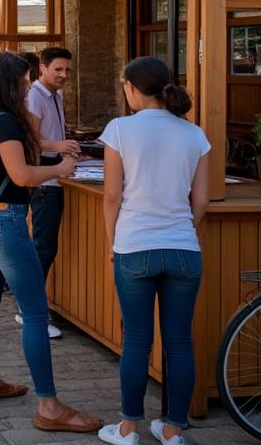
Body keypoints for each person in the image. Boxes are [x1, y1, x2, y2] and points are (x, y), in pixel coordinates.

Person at [0, 53, 97, 434]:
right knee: (36, 313)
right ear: (10, 84)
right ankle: (49, 406)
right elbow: (21, 175)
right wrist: (58, 168)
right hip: (5, 221)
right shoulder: (5, 122)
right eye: (22, 80)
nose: (26, 86)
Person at [97, 57, 209, 445]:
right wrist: (182, 230)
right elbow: (203, 201)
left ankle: (128, 429)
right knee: (179, 341)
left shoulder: (119, 129)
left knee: (137, 341)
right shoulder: (194, 134)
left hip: (135, 246)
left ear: (130, 87)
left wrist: (113, 241)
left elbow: (112, 196)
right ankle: (173, 429)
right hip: (183, 248)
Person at [21, 46, 80, 340]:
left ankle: (31, 309)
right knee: (43, 249)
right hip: (45, 180)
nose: (63, 75)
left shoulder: (54, 95)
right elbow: (30, 140)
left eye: (67, 70)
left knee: (45, 248)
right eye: (58, 69)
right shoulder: (35, 96)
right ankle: (32, 313)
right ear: (42, 68)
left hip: (55, 175)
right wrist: (60, 147)